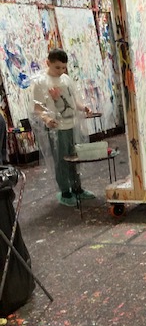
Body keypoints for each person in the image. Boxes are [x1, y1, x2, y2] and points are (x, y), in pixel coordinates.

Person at [31, 48, 95, 207]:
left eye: (64, 67)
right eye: (57, 67)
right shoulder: (41, 83)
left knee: (75, 157)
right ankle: (65, 191)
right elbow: (38, 108)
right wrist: (47, 119)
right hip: (57, 129)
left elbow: (72, 101)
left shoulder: (66, 80)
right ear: (48, 63)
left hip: (72, 124)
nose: (61, 71)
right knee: (61, 160)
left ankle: (77, 188)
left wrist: (83, 108)